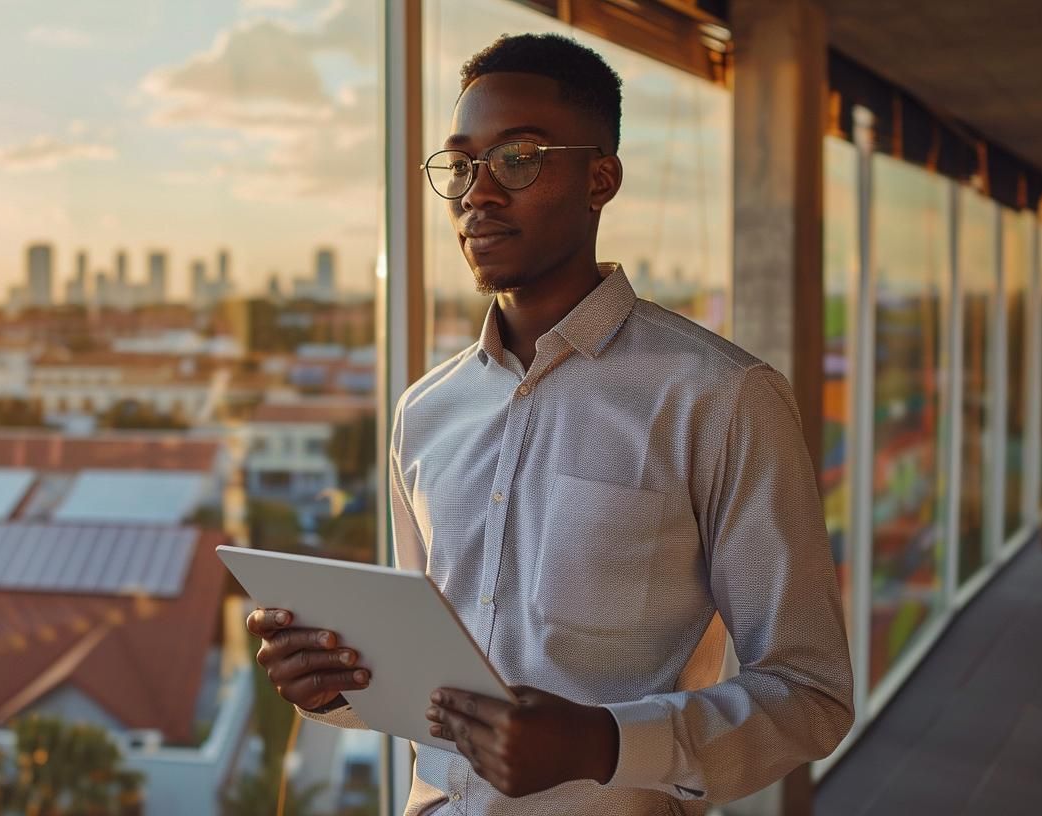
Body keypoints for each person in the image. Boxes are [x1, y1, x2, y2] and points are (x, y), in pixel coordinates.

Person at [246, 32, 853, 815]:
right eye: (462, 165)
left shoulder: (721, 397)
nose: (478, 194)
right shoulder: (425, 413)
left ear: (600, 179)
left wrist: (602, 744)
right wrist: (329, 687)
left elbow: (809, 693)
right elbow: (425, 681)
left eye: (519, 158)